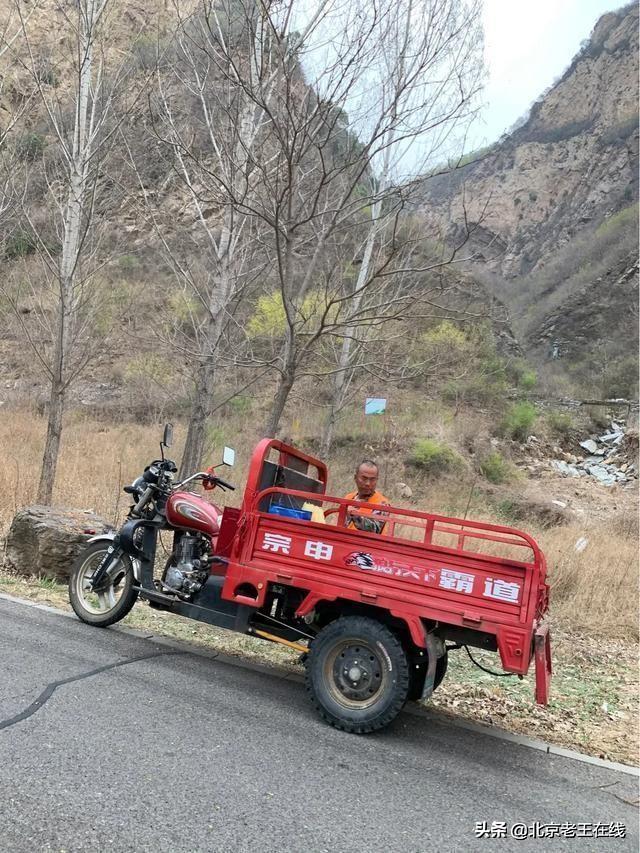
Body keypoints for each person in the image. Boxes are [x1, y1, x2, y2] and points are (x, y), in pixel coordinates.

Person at [344, 459, 389, 534]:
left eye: (372, 479)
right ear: (355, 478)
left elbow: (375, 528)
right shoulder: (348, 498)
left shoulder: (382, 503)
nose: (368, 483)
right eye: (364, 478)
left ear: (377, 480)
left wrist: (354, 514)